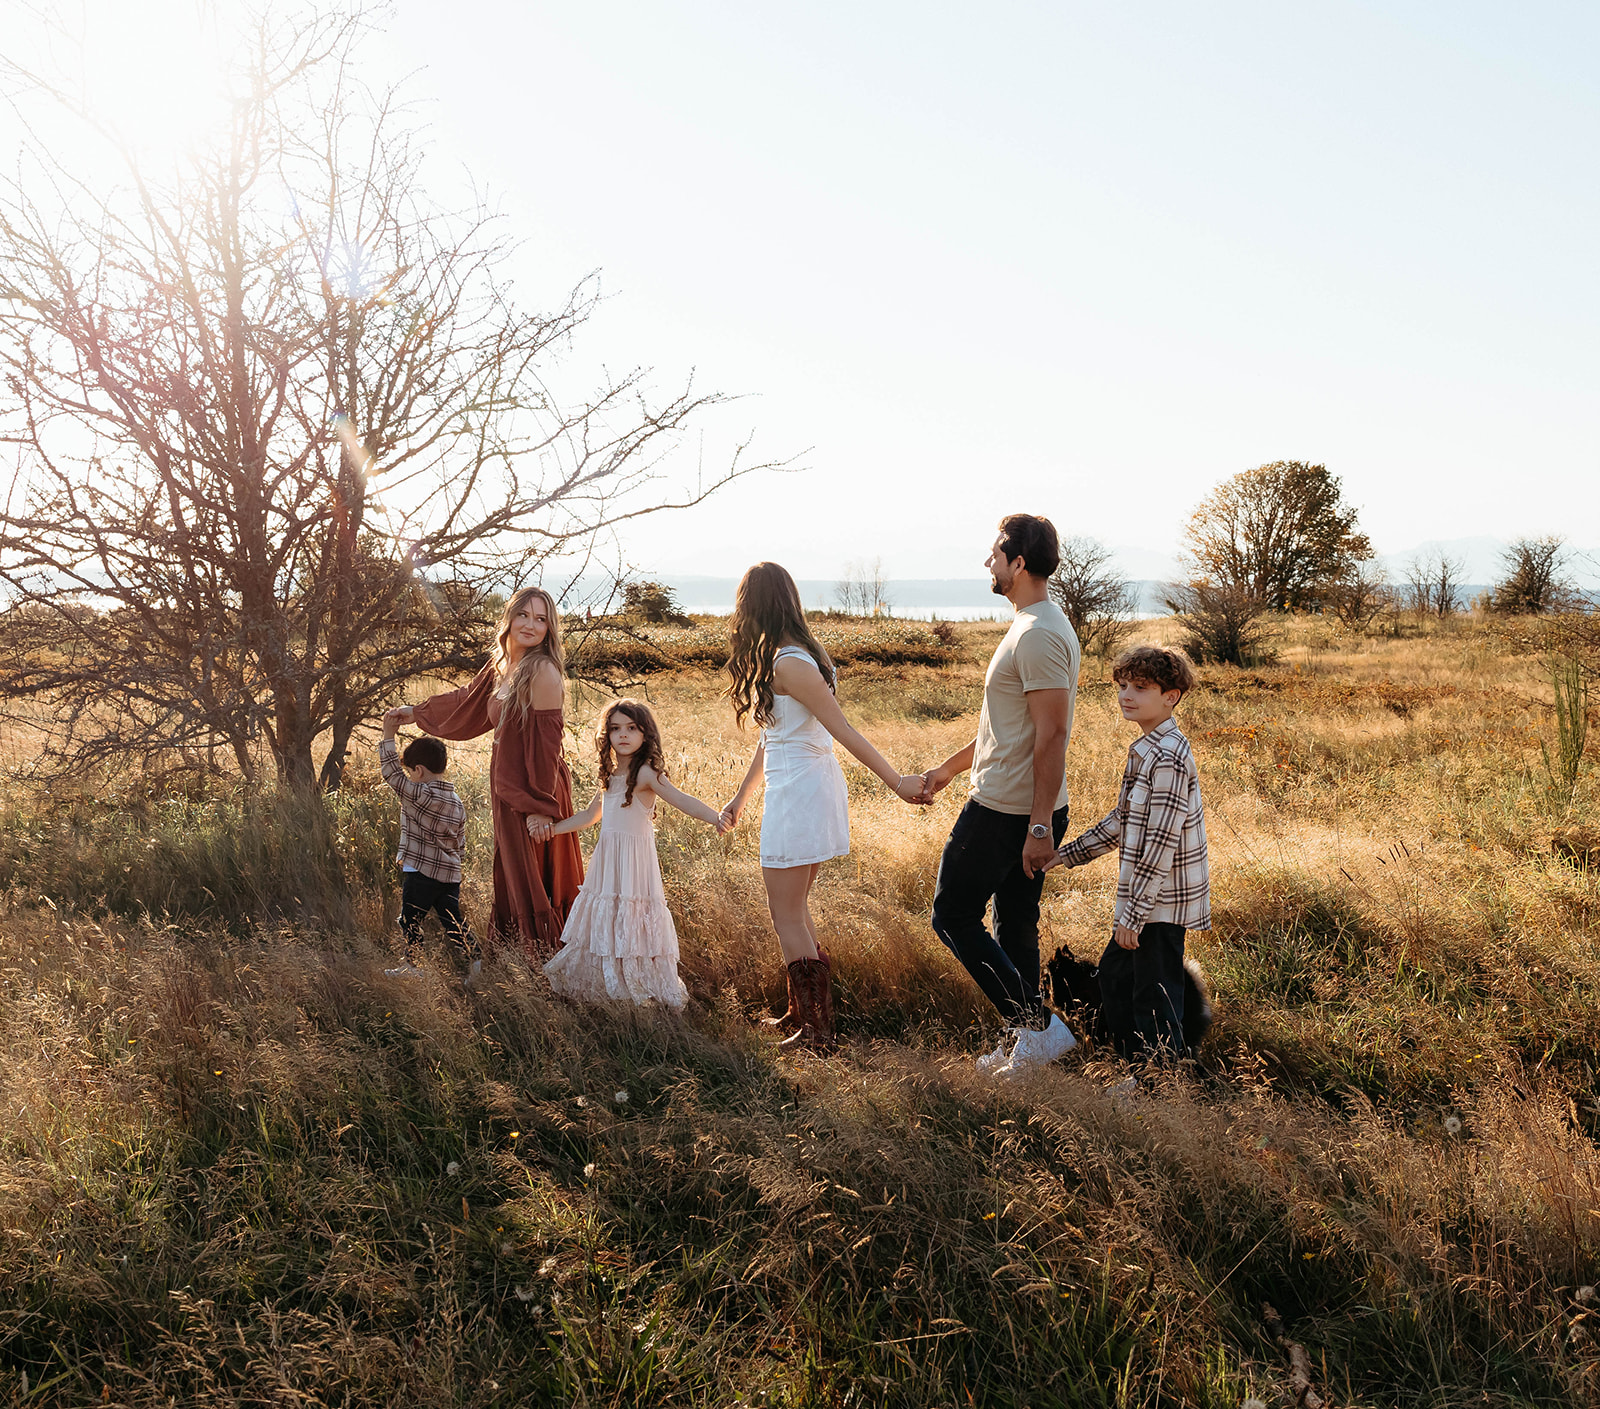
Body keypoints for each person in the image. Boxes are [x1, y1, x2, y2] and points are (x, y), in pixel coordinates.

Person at [720, 562, 927, 1052]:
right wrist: (741, 796)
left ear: (752, 606)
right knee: (793, 908)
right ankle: (805, 1015)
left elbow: (843, 729)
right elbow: (773, 736)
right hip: (795, 787)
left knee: (785, 912)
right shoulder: (793, 656)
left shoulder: (790, 663)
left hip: (802, 791)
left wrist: (897, 782)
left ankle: (816, 1032)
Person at [917, 514, 1080, 1077]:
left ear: (1019, 563)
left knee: (951, 915)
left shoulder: (1036, 634)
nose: (987, 563)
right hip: (1019, 805)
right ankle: (1030, 1046)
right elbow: (1005, 729)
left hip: (1008, 811)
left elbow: (1052, 733)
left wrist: (1038, 825)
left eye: (995, 554)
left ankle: (1037, 1028)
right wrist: (945, 769)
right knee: (1015, 924)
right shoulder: (1033, 625)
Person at [392, 587, 583, 957]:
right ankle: (520, 965)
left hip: (533, 789)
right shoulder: (503, 665)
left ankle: (548, 966)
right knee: (512, 875)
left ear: (550, 628)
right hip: (511, 788)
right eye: (523, 615)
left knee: (535, 879)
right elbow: (467, 702)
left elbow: (547, 745)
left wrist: (540, 806)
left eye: (541, 619)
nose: (530, 625)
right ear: (509, 618)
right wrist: (417, 712)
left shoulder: (541, 671)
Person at [1048, 645, 1209, 1071]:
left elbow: (1160, 846)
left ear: (1171, 696)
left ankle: (1159, 1082)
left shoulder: (1169, 757)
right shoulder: (1146, 750)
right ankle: (1140, 1072)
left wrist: (1133, 918)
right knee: (1118, 980)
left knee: (1154, 995)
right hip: (1144, 902)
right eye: (1122, 686)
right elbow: (1122, 820)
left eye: (1140, 687)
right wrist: (1064, 856)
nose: (1126, 695)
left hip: (1160, 903)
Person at [537, 699, 728, 1008]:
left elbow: (681, 799)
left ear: (645, 734)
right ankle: (607, 986)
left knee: (632, 916)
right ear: (607, 735)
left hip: (634, 865)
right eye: (615, 729)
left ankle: (637, 986)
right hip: (608, 862)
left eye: (631, 728)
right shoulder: (609, 775)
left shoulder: (646, 774)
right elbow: (589, 816)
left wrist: (715, 817)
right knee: (607, 917)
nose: (623, 735)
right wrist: (552, 830)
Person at [377, 712, 483, 987]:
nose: (409, 776)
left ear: (419, 771)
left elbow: (390, 772)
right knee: (453, 921)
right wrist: (454, 863)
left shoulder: (418, 793)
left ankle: (412, 965)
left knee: (410, 920)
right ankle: (476, 962)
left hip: (420, 872)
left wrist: (388, 733)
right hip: (449, 875)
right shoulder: (456, 801)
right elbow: (460, 841)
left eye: (411, 772)